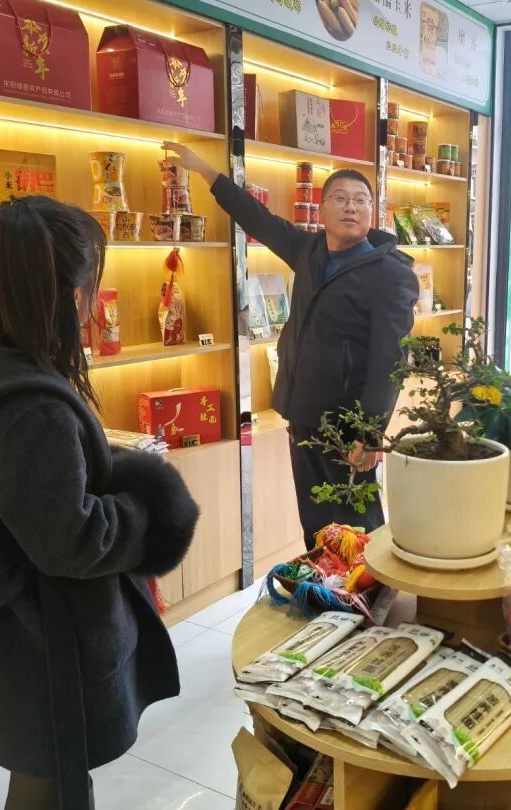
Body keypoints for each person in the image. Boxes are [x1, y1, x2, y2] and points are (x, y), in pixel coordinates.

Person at [0, 197, 200, 810]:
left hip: (23, 637)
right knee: (50, 784)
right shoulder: (33, 409)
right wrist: (147, 505)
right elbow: (73, 541)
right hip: (53, 642)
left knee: (50, 779)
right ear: (72, 294)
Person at [163, 141, 418, 549]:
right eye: (340, 199)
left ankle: (368, 588)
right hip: (302, 413)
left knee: (356, 524)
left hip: (348, 424)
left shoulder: (391, 274)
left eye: (360, 200)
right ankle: (324, 583)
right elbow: (258, 218)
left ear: (373, 212)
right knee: (315, 522)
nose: (351, 208)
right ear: (322, 210)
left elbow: (390, 361)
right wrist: (206, 171)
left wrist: (370, 434)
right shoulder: (310, 251)